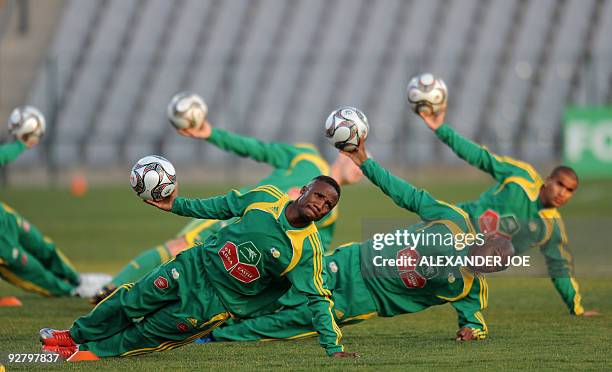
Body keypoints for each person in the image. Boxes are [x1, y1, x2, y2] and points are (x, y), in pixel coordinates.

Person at [196, 137, 514, 344]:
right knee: (282, 290)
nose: (489, 262)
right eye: (491, 254)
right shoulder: (452, 221)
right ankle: (206, 315)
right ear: (485, 238)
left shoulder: (469, 286)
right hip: (353, 261)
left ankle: (217, 338)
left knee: (297, 320)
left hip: (365, 300)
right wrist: (365, 162)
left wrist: (473, 329)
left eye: (496, 265)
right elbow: (406, 194)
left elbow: (474, 317)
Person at [39, 177, 358, 359]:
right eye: (319, 195)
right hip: (194, 266)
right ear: (304, 190)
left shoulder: (308, 249)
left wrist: (334, 347)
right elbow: (220, 206)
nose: (321, 204)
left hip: (215, 304)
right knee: (131, 299)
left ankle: (89, 353)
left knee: (146, 332)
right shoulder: (265, 198)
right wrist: (176, 205)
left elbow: (318, 298)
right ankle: (72, 336)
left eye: (329, 204)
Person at [92, 119, 363, 304]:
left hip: (254, 243)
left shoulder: (328, 212)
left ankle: (148, 300)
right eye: (360, 161)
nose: (361, 169)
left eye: (364, 168)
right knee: (179, 246)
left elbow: (313, 254)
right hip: (233, 215)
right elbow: (256, 149)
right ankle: (111, 288)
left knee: (206, 275)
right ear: (342, 151)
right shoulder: (306, 156)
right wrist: (211, 133)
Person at [418, 105, 598, 316]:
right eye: (560, 184)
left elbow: (559, 268)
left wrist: (576, 308)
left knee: (420, 285)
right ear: (548, 180)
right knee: (400, 253)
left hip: (468, 262)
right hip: (456, 222)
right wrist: (441, 129)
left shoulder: (550, 228)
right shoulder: (522, 176)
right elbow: (482, 158)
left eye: (570, 190)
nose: (562, 193)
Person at [0, 136, 106, 299]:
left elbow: (3, 154)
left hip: (6, 219)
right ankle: (72, 292)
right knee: (35, 272)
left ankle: (77, 279)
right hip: (3, 249)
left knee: (44, 247)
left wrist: (21, 144)